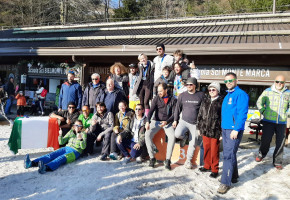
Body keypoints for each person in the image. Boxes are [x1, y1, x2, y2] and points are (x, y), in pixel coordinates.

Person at [217, 72, 249, 194]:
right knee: (230, 153)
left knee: (228, 155)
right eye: (226, 81)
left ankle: (225, 182)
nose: (228, 83)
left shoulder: (240, 94)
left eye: (230, 80)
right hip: (225, 129)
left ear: (236, 80)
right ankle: (233, 176)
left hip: (233, 130)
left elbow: (242, 114)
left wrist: (236, 129)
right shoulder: (227, 95)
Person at [255, 75, 290, 170]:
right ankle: (262, 154)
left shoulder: (288, 93)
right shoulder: (267, 91)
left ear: (284, 83)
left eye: (281, 82)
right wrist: (263, 111)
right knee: (265, 140)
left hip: (281, 122)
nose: (279, 84)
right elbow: (259, 102)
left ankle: (278, 161)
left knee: (280, 142)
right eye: (277, 81)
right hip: (268, 121)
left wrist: (287, 113)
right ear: (274, 82)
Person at [173, 77, 205, 169]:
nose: (189, 86)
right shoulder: (182, 95)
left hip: (195, 124)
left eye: (191, 84)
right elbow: (177, 109)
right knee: (177, 134)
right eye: (187, 84)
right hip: (184, 121)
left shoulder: (201, 95)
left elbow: (204, 110)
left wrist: (201, 125)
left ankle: (188, 161)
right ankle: (185, 136)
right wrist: (175, 120)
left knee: (193, 143)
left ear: (195, 85)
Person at [145, 83, 177, 170]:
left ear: (166, 90)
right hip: (156, 121)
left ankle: (167, 160)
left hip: (168, 122)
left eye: (161, 91)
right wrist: (148, 121)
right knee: (147, 134)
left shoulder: (173, 99)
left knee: (172, 137)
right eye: (158, 91)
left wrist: (167, 122)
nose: (159, 92)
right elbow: (151, 111)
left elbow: (174, 114)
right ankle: (152, 158)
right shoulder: (156, 98)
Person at [197, 82, 223, 178]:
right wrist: (199, 127)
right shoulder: (205, 101)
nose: (211, 91)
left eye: (214, 89)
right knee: (206, 148)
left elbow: (223, 118)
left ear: (218, 91)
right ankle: (207, 166)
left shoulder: (221, 102)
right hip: (205, 129)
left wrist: (221, 132)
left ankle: (214, 169)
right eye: (210, 90)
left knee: (214, 151)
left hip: (215, 131)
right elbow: (200, 114)